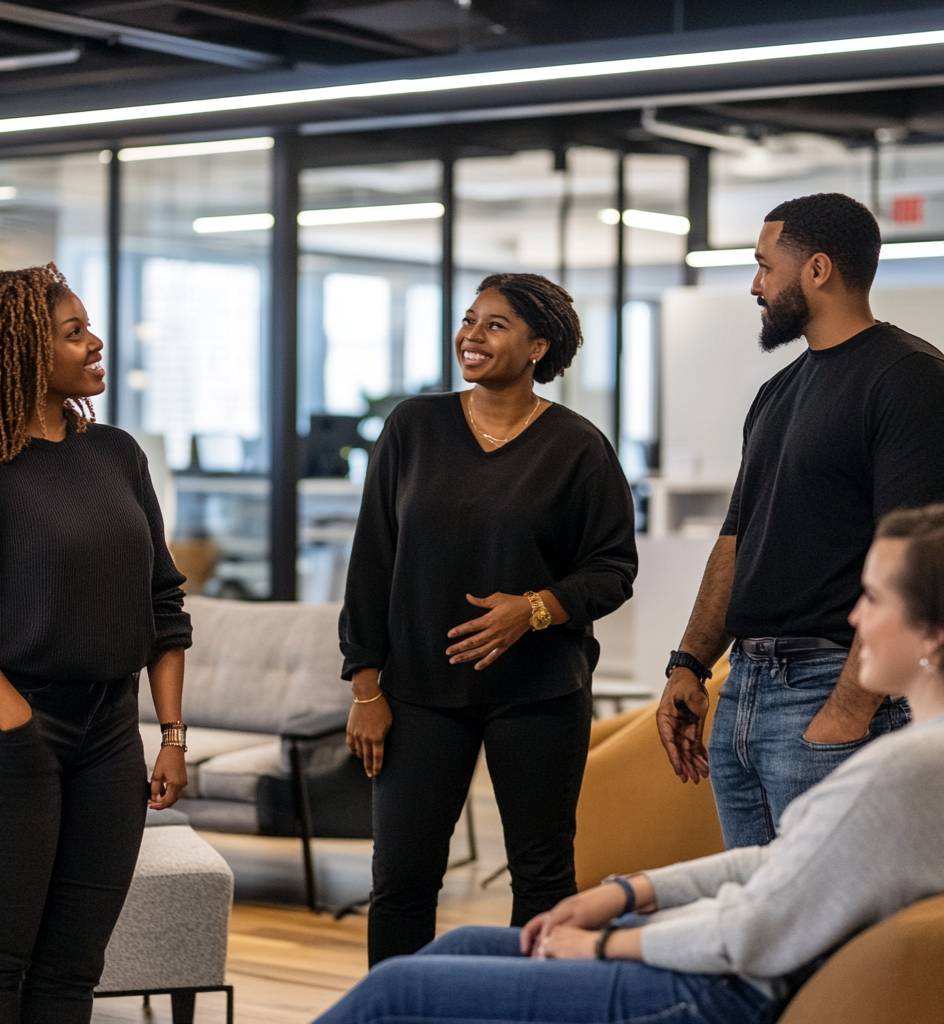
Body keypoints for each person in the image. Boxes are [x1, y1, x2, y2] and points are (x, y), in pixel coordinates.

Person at [316, 503, 944, 1024]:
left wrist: (605, 943)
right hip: (736, 963)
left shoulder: (901, 768)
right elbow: (782, 865)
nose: (854, 617)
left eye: (873, 598)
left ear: (931, 634)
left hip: (729, 993)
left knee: (396, 992)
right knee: (459, 945)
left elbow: (754, 929)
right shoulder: (916, 755)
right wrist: (626, 892)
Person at [0, 264, 192, 1024]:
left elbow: (162, 602)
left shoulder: (116, 454)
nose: (95, 342)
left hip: (110, 736)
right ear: (20, 354)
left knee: (74, 970)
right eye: (74, 334)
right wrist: (19, 729)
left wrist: (169, 735)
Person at [340, 272, 637, 965]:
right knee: (403, 879)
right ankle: (396, 1012)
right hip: (417, 694)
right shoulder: (414, 426)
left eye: (495, 325)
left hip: (538, 694)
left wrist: (533, 610)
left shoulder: (577, 447)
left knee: (540, 878)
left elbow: (612, 569)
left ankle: (527, 1009)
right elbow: (372, 562)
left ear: (539, 346)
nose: (472, 335)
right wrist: (365, 685)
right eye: (470, 320)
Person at [656, 191, 944, 848]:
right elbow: (737, 539)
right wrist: (689, 666)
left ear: (816, 270)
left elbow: (915, 564)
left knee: (827, 934)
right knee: (754, 919)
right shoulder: (775, 393)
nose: (755, 286)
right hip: (744, 691)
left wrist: (848, 708)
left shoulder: (910, 380)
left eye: (764, 266)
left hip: (828, 687)